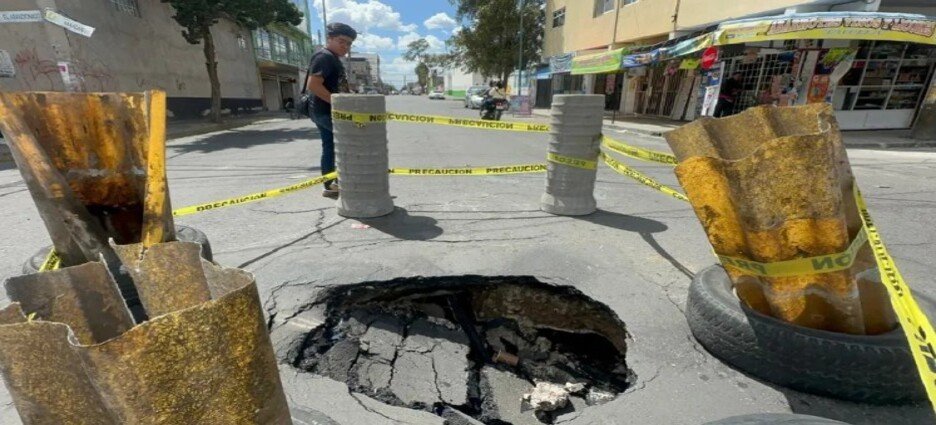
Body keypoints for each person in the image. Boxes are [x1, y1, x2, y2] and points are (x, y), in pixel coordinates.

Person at [306, 22, 356, 198]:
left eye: (349, 44)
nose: (346, 46)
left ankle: (331, 184)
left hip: (324, 111)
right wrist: (337, 104)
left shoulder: (332, 58)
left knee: (330, 147)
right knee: (348, 144)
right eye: (342, 41)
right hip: (325, 111)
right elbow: (313, 85)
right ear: (330, 39)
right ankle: (337, 183)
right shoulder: (324, 56)